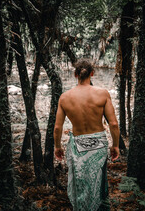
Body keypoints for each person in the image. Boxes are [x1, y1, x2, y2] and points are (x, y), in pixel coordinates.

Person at [54, 59, 120, 211]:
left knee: (81, 183)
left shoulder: (65, 97)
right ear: (92, 73)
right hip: (99, 144)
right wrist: (115, 145)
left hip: (77, 146)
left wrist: (58, 146)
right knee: (98, 183)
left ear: (75, 75)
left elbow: (58, 128)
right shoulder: (102, 94)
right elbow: (114, 124)